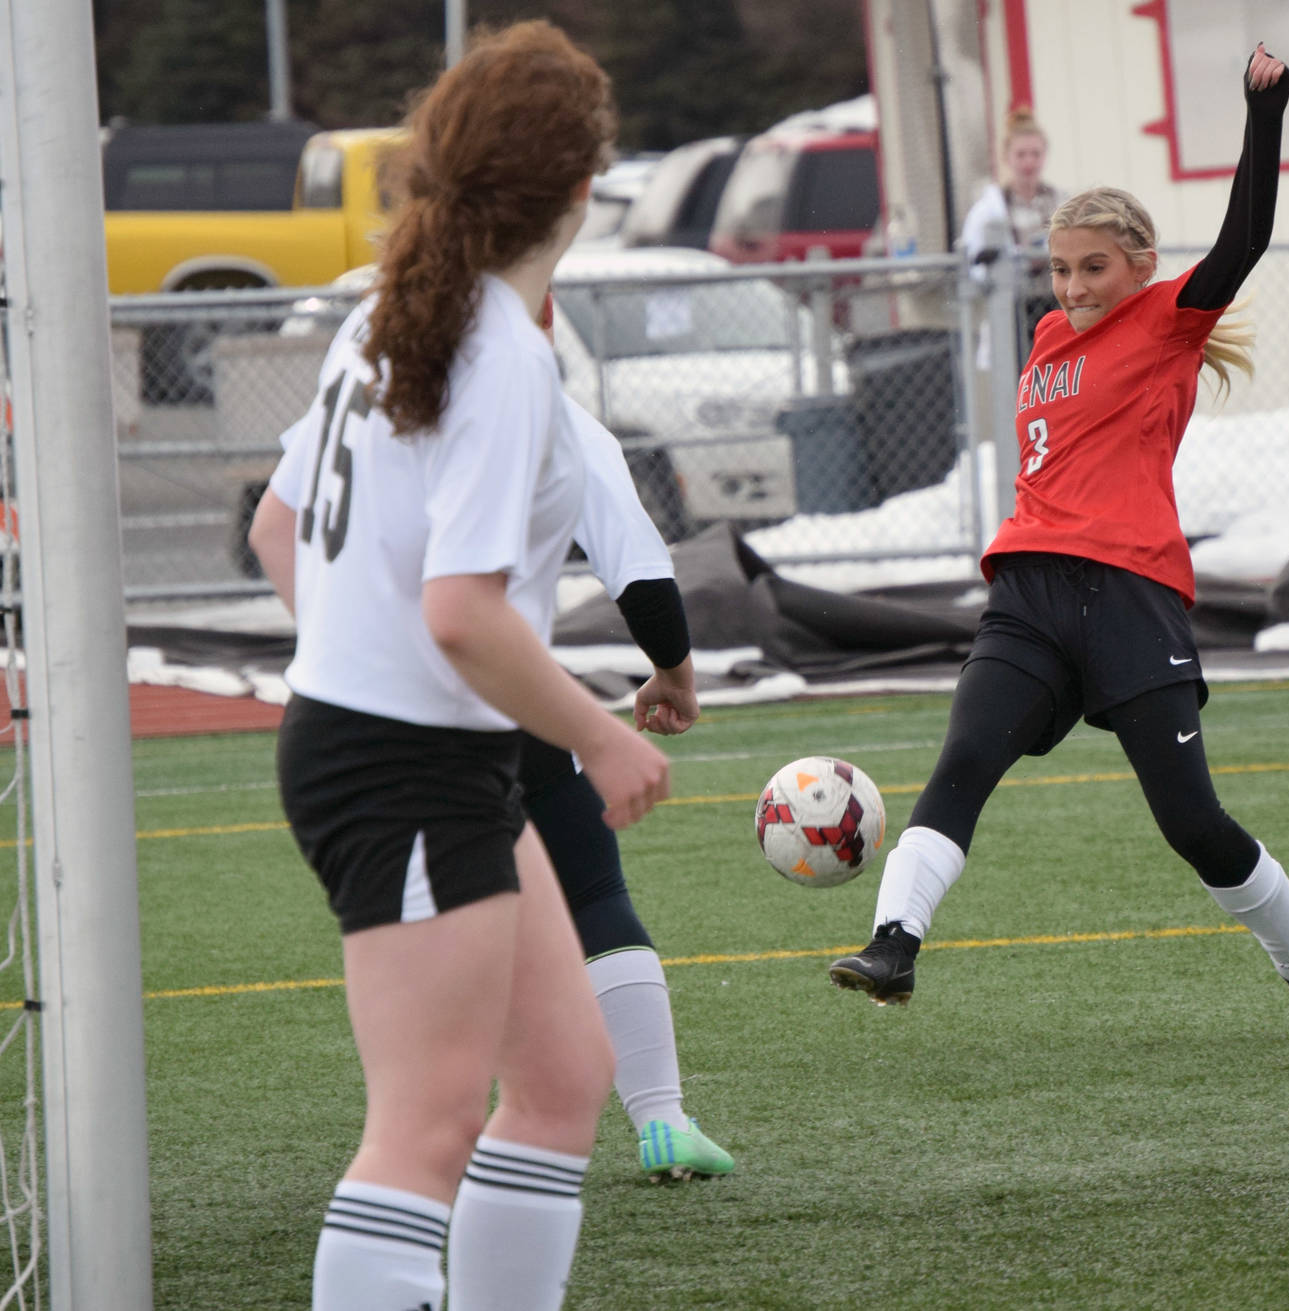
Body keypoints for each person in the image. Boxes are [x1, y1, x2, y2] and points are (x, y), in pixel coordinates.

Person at [245, 23, 668, 1310]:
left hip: (429, 753)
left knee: (559, 1082)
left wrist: (356, 657)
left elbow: (275, 531)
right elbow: (462, 616)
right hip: (402, 767)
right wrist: (602, 734)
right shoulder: (499, 349)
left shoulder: (397, 307)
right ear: (585, 187)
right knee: (422, 1130)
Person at [831, 45, 1289, 1036]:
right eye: (1060, 268)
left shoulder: (1167, 322)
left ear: (1140, 269)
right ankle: (893, 947)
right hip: (1028, 595)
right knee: (958, 767)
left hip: (1127, 595)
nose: (1071, 286)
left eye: (1091, 269)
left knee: (1192, 825)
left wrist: (1264, 114)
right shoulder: (1043, 340)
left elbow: (1244, 239)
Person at [532, 296, 734, 1183]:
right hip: (481, 697)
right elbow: (644, 576)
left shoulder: (363, 374)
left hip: (340, 719)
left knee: (431, 920)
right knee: (591, 889)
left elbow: (279, 526)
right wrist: (675, 675)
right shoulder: (545, 416)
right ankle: (660, 1120)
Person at [960, 106, 1067, 365]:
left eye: (1035, 154)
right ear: (1007, 158)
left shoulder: (1059, 201)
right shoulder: (992, 208)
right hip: (1015, 307)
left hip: (1056, 304)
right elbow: (974, 257)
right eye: (1021, 155)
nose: (1029, 162)